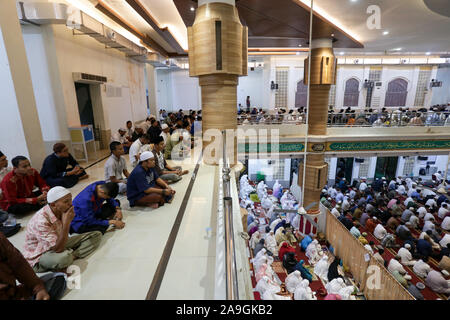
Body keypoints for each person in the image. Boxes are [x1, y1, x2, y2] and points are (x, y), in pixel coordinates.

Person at [24, 186, 102, 273]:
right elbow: (57, 249)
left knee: (96, 235)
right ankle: (65, 259)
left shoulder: (62, 209)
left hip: (57, 242)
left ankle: (71, 256)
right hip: (41, 254)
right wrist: (66, 223)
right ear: (53, 204)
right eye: (66, 201)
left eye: (70, 200)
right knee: (63, 258)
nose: (70, 204)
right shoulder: (40, 221)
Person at [0, 232, 66, 300]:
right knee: (64, 258)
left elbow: (18, 263)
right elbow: (58, 248)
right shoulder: (39, 223)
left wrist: (38, 288)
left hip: (12, 293)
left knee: (59, 277)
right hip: (39, 257)